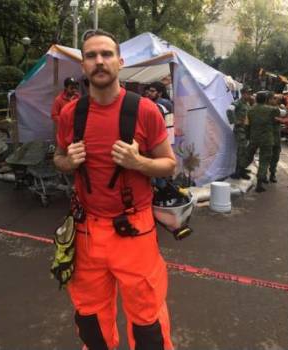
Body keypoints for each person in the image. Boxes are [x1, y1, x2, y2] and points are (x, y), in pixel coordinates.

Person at [54, 29, 176, 350]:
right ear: (83, 65)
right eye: (91, 55)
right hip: (85, 232)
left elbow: (169, 165)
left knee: (147, 320)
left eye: (106, 54)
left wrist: (139, 163)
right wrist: (68, 162)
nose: (99, 61)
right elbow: (58, 157)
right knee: (91, 318)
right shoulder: (71, 113)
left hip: (134, 229)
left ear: (120, 62)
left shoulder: (145, 110)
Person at [246, 91, 280, 192]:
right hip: (267, 138)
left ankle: (269, 175)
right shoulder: (272, 109)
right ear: (267, 99)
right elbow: (283, 113)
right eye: (272, 98)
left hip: (258, 138)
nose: (274, 100)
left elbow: (248, 125)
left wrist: (248, 137)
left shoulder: (251, 110)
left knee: (270, 157)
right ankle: (261, 180)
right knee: (265, 160)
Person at [228, 87, 253, 180]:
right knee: (241, 151)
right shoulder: (237, 102)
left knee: (244, 150)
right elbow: (229, 110)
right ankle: (238, 172)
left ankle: (242, 168)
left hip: (246, 130)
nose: (249, 95)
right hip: (240, 130)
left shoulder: (247, 104)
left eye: (250, 93)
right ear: (243, 93)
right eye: (247, 93)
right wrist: (234, 121)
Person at [267, 93, 288, 183]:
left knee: (275, 155)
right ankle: (263, 175)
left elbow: (286, 114)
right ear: (269, 99)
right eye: (274, 98)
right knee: (266, 156)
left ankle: (272, 174)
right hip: (267, 136)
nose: (276, 100)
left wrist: (282, 106)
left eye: (276, 98)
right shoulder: (267, 108)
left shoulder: (278, 108)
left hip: (276, 136)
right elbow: (284, 114)